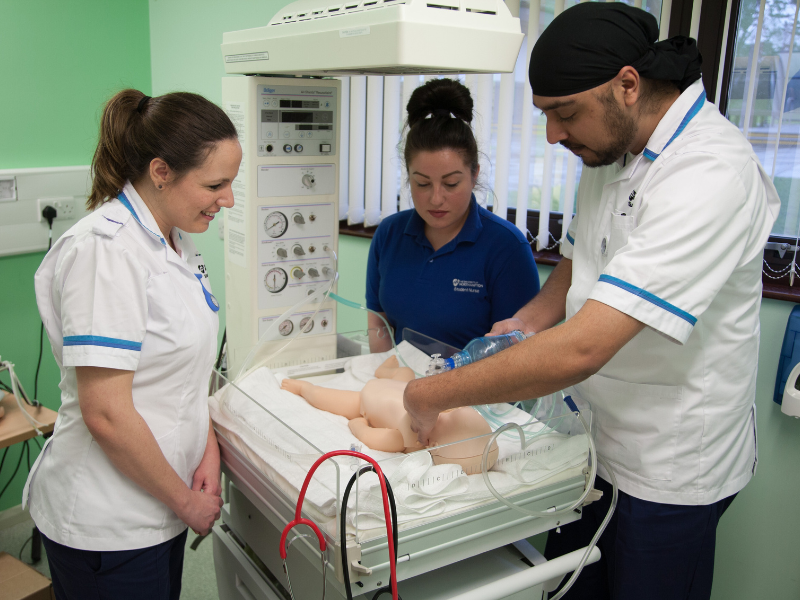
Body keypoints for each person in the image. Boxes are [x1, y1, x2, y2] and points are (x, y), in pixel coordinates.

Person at [401, 4, 780, 600]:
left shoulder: (710, 174)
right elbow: (581, 264)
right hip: (592, 446)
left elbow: (584, 347)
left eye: (564, 113)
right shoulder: (611, 151)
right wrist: (524, 323)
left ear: (628, 86)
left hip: (670, 463)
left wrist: (427, 392)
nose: (553, 135)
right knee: (567, 588)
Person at [23, 89, 242, 600]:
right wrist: (187, 505)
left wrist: (206, 450)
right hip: (110, 522)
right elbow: (106, 414)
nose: (228, 200)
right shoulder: (105, 252)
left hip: (161, 502)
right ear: (161, 171)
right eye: (216, 184)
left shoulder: (176, 240)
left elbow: (184, 373)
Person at [366, 78, 540, 351]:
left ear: (474, 175)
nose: (436, 198)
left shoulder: (505, 248)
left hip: (477, 391)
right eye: (422, 183)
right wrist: (383, 376)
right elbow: (379, 323)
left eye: (451, 184)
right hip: (398, 385)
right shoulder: (389, 234)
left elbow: (516, 352)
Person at [280, 356, 499, 473]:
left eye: (444, 417)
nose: (443, 411)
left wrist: (358, 424)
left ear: (430, 443)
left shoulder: (403, 439)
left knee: (325, 397)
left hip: (364, 400)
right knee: (406, 373)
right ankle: (383, 371)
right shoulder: (436, 408)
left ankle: (304, 388)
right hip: (401, 386)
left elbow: (369, 437)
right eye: (451, 409)